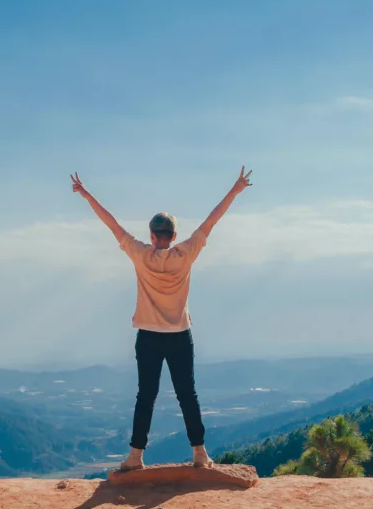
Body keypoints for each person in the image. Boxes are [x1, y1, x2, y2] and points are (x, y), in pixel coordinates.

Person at [70, 167, 253, 470]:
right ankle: (199, 453)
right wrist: (235, 189)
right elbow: (212, 220)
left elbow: (111, 224)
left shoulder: (141, 254)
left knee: (146, 396)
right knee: (187, 395)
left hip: (149, 336)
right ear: (175, 236)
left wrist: (87, 194)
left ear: (152, 236)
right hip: (180, 334)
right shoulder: (187, 253)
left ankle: (135, 456)